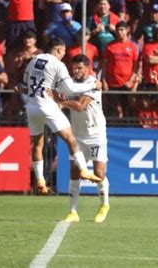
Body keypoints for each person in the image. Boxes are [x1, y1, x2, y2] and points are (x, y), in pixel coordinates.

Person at [21, 37, 103, 194]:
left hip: (31, 107)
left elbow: (25, 82)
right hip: (46, 104)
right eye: (63, 52)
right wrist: (94, 84)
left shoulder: (34, 60)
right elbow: (71, 89)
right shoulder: (58, 64)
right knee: (70, 138)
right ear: (59, 50)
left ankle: (40, 181)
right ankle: (84, 170)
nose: (63, 55)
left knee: (37, 144)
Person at [57, 54, 109, 223]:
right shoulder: (69, 84)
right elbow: (57, 93)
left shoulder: (92, 84)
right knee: (74, 171)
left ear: (88, 68)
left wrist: (62, 103)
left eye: (80, 68)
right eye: (74, 68)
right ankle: (72, 212)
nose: (76, 71)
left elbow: (80, 106)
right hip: (78, 134)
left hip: (95, 134)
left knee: (98, 173)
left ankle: (104, 205)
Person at [102, 21, 139, 119]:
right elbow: (104, 65)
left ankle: (129, 130)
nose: (119, 32)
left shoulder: (133, 46)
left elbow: (136, 66)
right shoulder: (110, 46)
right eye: (118, 30)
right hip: (113, 83)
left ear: (127, 30)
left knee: (127, 108)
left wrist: (131, 80)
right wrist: (104, 80)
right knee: (114, 110)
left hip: (127, 83)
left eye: (122, 30)